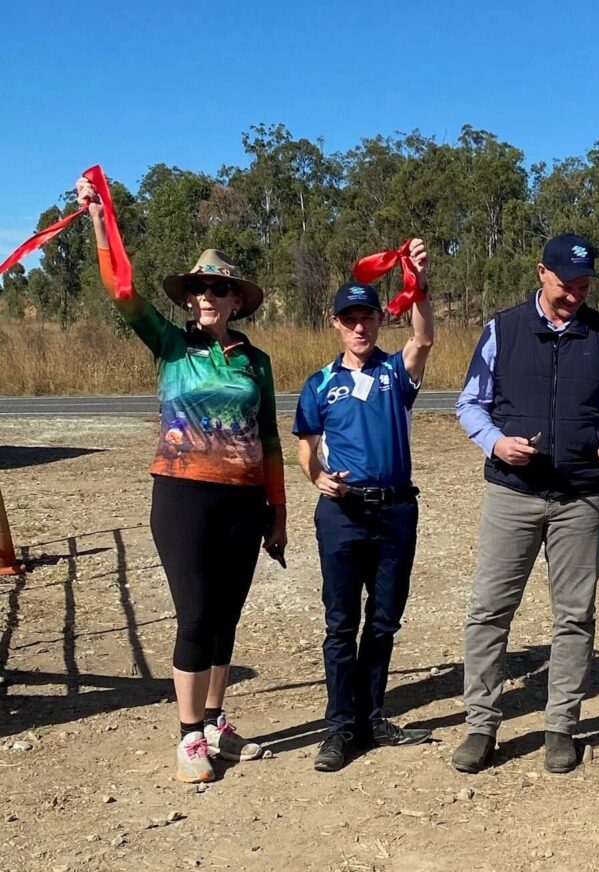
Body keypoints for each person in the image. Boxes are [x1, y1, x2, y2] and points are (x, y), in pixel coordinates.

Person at [76, 178, 287, 784]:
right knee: (195, 612)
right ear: (188, 298)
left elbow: (268, 437)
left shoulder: (256, 360)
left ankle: (216, 719)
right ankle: (189, 735)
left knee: (226, 615)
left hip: (245, 503)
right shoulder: (170, 345)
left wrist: (278, 511)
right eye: (197, 288)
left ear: (235, 300)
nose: (206, 297)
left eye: (218, 288)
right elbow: (123, 294)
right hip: (183, 496)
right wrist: (98, 221)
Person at [453, 233, 599, 774]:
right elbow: (470, 402)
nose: (574, 296)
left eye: (583, 287)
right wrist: (495, 442)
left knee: (575, 616)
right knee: (489, 611)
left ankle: (562, 726)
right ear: (541, 273)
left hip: (582, 497)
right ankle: (481, 725)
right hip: (511, 495)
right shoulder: (502, 330)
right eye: (565, 285)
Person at [293, 243, 434, 773]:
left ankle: (373, 718)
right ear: (335, 324)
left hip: (395, 511)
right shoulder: (320, 384)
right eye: (349, 319)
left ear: (379, 320)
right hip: (344, 514)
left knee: (383, 621)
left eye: (368, 318)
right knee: (340, 623)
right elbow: (306, 444)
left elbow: (423, 337)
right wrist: (317, 478)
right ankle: (338, 726)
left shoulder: (395, 374)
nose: (359, 328)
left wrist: (417, 283)